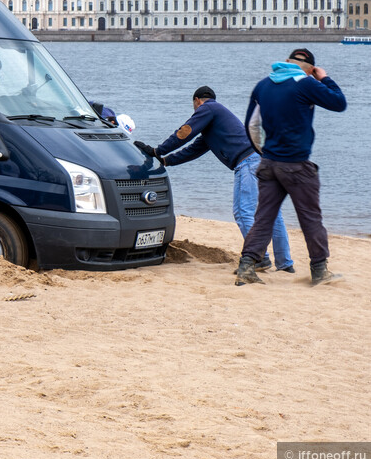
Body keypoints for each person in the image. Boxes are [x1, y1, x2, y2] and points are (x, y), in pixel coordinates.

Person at [133, 86, 294, 273]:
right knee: (272, 214)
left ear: (197, 101)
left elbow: (184, 132)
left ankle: (258, 258)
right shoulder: (214, 123)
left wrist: (157, 151)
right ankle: (285, 264)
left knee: (243, 212)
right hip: (264, 160)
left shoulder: (208, 108)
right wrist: (166, 161)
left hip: (248, 162)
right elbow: (193, 150)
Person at [233, 48, 347, 287]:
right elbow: (339, 103)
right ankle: (319, 270)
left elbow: (251, 126)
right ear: (310, 69)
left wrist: (263, 153)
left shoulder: (263, 85)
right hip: (296, 165)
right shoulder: (306, 83)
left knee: (264, 217)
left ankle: (246, 267)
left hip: (269, 164)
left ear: (286, 62)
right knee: (310, 218)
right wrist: (324, 77)